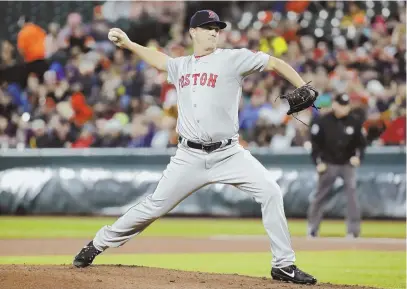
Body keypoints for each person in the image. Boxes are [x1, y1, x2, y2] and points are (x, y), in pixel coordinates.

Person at [73, 10, 317, 285]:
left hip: (228, 153)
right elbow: (160, 61)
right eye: (207, 27)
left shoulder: (232, 58)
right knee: (153, 207)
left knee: (271, 191)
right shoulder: (182, 66)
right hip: (188, 156)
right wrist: (129, 44)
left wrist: (301, 85)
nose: (214, 31)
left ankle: (283, 265)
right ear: (193, 32)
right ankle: (97, 243)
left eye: (216, 27)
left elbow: (273, 62)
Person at [307, 93, 367, 238]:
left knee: (352, 195)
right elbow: (315, 145)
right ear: (334, 105)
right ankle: (312, 228)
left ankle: (353, 231)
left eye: (346, 105)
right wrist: (318, 162)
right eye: (341, 105)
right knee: (320, 196)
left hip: (347, 163)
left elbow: (361, 144)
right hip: (328, 163)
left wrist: (358, 157)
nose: (343, 108)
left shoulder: (354, 121)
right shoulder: (323, 121)